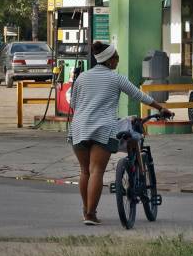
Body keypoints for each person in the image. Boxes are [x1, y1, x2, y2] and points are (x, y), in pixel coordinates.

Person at [70, 41, 173, 226]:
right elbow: (139, 95)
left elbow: (74, 104)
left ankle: (86, 211)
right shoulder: (115, 78)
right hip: (103, 128)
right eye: (116, 57)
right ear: (109, 60)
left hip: (78, 128)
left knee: (85, 171)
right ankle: (91, 214)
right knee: (96, 171)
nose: (117, 60)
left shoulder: (82, 78)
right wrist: (161, 108)